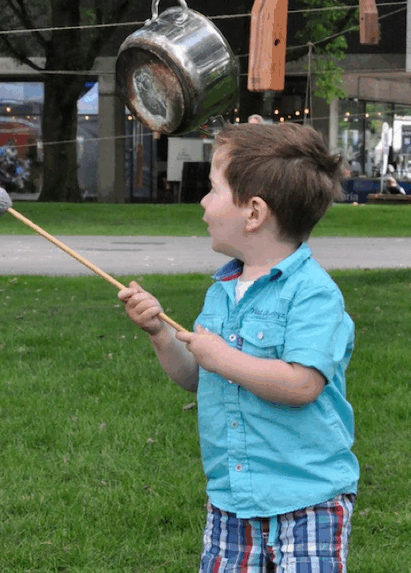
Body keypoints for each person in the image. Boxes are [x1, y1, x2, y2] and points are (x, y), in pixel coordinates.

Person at [118, 123, 359, 572]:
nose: (203, 203)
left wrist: (222, 358)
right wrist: (159, 333)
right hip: (231, 498)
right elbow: (195, 376)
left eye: (213, 190)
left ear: (253, 213)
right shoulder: (223, 290)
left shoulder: (314, 294)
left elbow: (303, 384)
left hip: (307, 502)